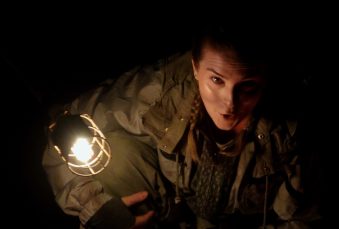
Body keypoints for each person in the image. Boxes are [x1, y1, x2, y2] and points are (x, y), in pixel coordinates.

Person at [42, 21, 324, 228]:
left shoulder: (291, 131)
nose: (229, 104)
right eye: (216, 80)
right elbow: (64, 125)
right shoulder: (164, 91)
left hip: (238, 221)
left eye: (247, 87)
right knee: (107, 149)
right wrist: (98, 211)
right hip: (173, 203)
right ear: (195, 68)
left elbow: (303, 218)